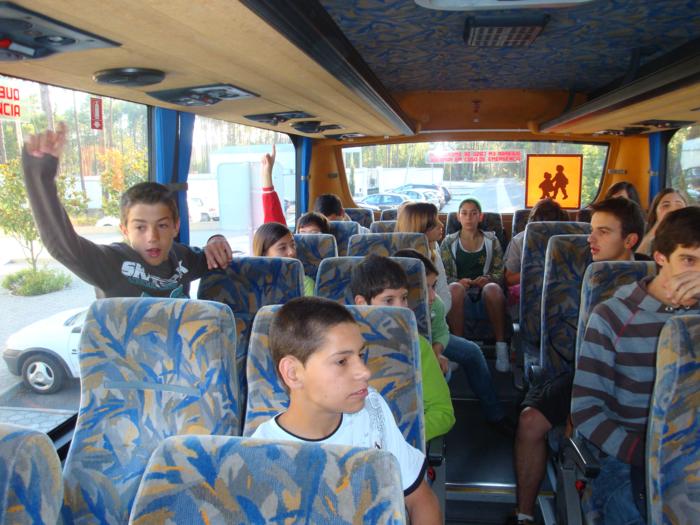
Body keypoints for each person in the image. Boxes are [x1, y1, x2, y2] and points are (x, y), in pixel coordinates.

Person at [508, 197, 649, 525]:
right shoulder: (573, 267)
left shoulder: (652, 277)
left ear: (630, 240)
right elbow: (555, 328)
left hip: (635, 376)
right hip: (583, 366)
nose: (591, 239)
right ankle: (524, 513)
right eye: (592, 230)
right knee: (530, 421)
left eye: (603, 232)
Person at [251, 297, 441, 524]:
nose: (365, 372)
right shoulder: (260, 453)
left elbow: (420, 498)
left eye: (360, 355)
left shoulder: (371, 409)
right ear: (293, 373)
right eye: (342, 361)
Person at [571, 206, 700, 524]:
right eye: (689, 260)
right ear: (660, 258)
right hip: (629, 457)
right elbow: (586, 409)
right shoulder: (613, 316)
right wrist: (648, 454)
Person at [21, 123, 232, 298]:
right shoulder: (111, 263)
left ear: (175, 226)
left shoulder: (182, 257)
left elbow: (213, 255)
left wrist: (216, 239)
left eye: (162, 225)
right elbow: (62, 245)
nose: (152, 237)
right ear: (125, 230)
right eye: (140, 227)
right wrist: (40, 176)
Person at [394, 249, 512, 435]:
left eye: (434, 286)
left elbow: (441, 331)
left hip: (431, 342)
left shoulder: (436, 304)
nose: (432, 295)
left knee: (472, 352)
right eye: (426, 288)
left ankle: (495, 413)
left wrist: (436, 350)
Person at [350, 254, 455, 442]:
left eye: (404, 298)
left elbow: (443, 412)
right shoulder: (338, 348)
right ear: (362, 304)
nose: (401, 308)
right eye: (389, 300)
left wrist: (397, 438)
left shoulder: (416, 345)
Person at [440, 198, 510, 372]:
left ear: (480, 217)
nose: (468, 218)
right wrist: (457, 281)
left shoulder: (491, 241)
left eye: (473, 213)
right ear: (458, 217)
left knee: (493, 288)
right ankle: (458, 347)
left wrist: (488, 279)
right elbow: (443, 275)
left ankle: (501, 347)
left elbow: (499, 271)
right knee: (454, 288)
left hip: (485, 290)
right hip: (459, 290)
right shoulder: (449, 242)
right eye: (464, 213)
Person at [504, 198, 569, 314]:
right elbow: (509, 279)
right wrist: (537, 271)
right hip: (531, 292)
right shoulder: (520, 241)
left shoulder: (569, 241)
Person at [396, 201, 452, 312]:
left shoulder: (433, 252)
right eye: (434, 222)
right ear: (421, 227)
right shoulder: (399, 258)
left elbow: (443, 295)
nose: (441, 225)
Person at [252, 222, 315, 296]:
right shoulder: (251, 283)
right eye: (282, 248)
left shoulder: (304, 283)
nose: (292, 252)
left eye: (293, 245)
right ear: (264, 254)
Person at [636, 188, 687, 256]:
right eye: (666, 205)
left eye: (678, 205)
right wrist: (657, 226)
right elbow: (637, 259)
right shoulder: (643, 230)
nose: (673, 209)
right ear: (655, 211)